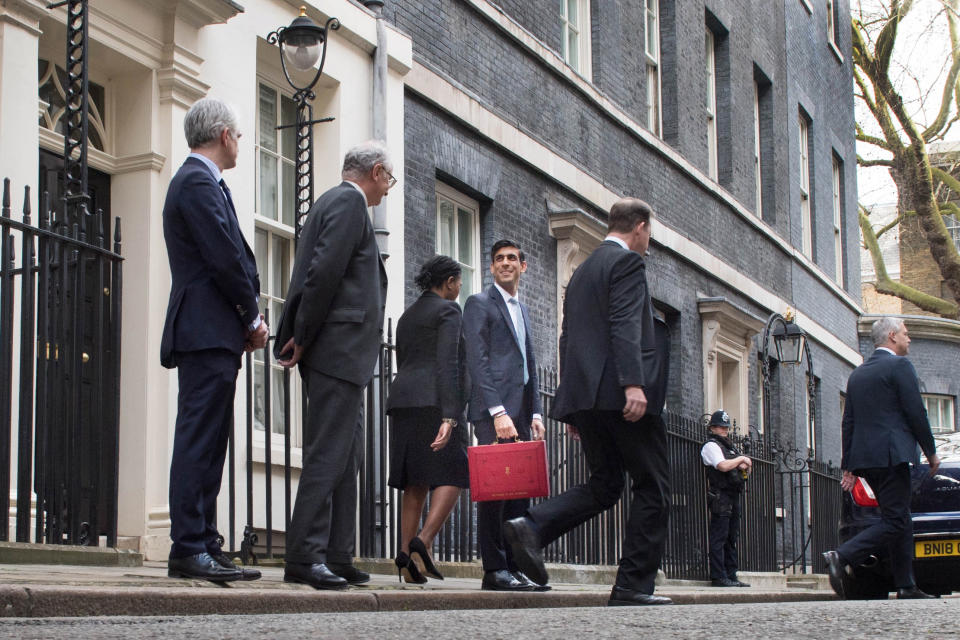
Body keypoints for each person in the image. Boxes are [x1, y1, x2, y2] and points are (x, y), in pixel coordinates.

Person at [503, 197, 673, 606]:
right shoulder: (628, 263)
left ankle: (533, 525)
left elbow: (569, 338)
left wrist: (573, 405)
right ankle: (633, 586)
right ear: (641, 227)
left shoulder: (582, 272)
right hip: (621, 396)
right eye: (650, 233)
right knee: (654, 487)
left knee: (606, 484)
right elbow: (626, 324)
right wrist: (634, 384)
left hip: (588, 398)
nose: (649, 241)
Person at [273, 140, 392, 590]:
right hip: (335, 350)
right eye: (388, 180)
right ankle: (304, 556)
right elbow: (321, 273)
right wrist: (301, 337)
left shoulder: (336, 202)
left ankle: (337, 554)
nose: (387, 190)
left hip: (345, 354)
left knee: (348, 456)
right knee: (329, 452)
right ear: (376, 171)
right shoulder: (347, 201)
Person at [161, 98, 267, 583]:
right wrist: (251, 317)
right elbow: (224, 257)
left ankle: (203, 541)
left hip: (213, 333)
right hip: (206, 330)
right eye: (239, 136)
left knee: (211, 443)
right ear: (224, 135)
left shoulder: (204, 183)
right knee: (199, 441)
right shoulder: (197, 181)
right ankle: (187, 546)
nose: (240, 144)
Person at [823, 316, 940, 600]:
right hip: (892, 455)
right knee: (897, 520)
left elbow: (848, 422)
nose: (908, 338)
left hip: (866, 461)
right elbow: (916, 412)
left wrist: (848, 466)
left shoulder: (858, 374)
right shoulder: (900, 366)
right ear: (891, 336)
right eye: (905, 333)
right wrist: (931, 452)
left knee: (899, 517)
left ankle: (906, 584)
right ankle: (842, 555)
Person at [462, 239, 547, 592]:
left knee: (518, 496)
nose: (505, 263)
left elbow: (528, 362)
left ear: (523, 266)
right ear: (492, 267)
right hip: (494, 412)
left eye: (512, 258)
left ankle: (515, 567)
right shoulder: (480, 303)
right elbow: (477, 360)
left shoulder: (521, 309)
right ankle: (494, 570)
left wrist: (537, 411)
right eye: (499, 259)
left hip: (521, 413)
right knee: (495, 495)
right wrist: (498, 412)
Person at [386, 256, 469, 584]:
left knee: (415, 480)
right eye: (458, 282)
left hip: (403, 401)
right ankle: (424, 540)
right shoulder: (448, 311)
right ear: (448, 281)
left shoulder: (407, 316)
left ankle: (406, 558)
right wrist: (450, 415)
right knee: (457, 473)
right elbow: (449, 363)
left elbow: (404, 359)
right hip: (434, 402)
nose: (460, 289)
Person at [700, 410, 751, 588]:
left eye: (726, 427)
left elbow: (742, 469)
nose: (724, 430)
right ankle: (718, 576)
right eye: (721, 427)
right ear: (712, 427)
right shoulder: (711, 446)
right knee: (719, 536)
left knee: (731, 537)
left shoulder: (730, 447)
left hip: (733, 494)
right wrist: (741, 459)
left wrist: (745, 464)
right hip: (720, 495)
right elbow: (722, 466)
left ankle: (731, 575)